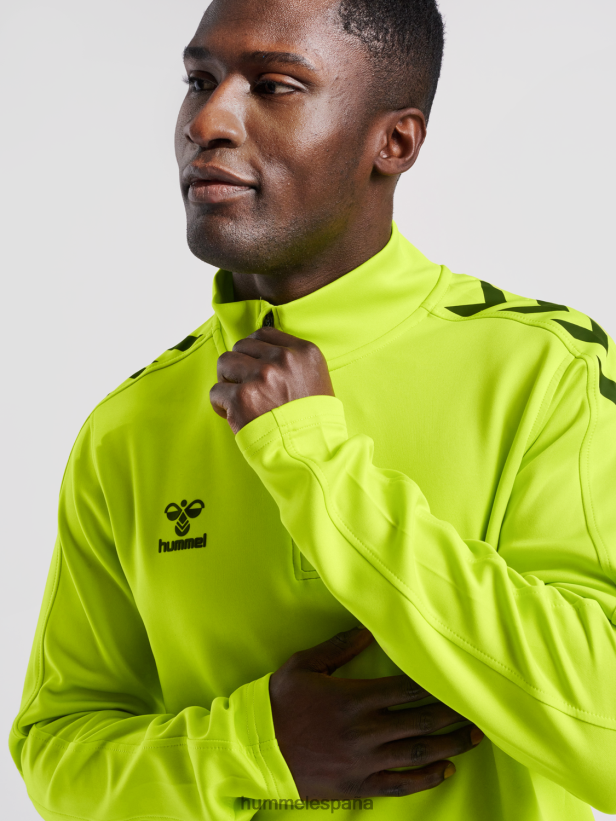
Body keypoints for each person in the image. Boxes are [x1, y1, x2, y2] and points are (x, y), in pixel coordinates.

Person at [8, 0, 616, 819]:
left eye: (274, 86)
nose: (207, 122)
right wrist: (257, 749)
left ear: (393, 142)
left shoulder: (546, 368)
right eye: (200, 80)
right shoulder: (129, 425)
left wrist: (317, 464)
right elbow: (57, 751)